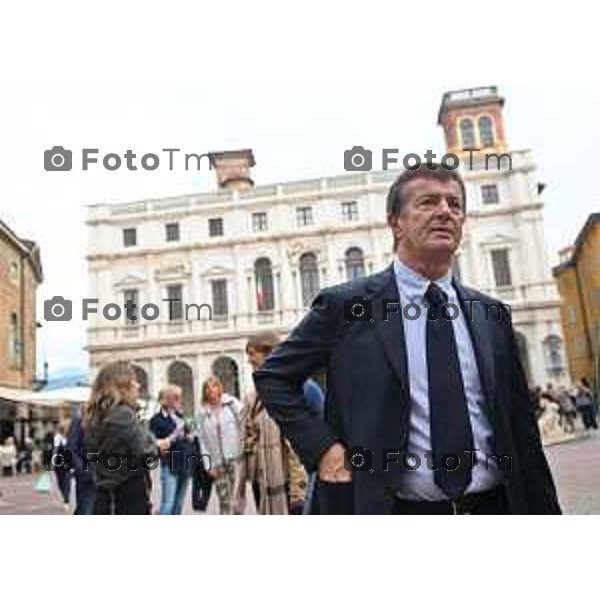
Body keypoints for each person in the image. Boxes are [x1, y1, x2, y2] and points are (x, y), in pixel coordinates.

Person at [253, 164, 561, 515]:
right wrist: (323, 448)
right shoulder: (347, 306)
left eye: (455, 204)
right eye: (428, 202)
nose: (445, 211)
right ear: (395, 223)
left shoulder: (490, 315)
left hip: (495, 506)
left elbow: (521, 428)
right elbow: (272, 377)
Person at [234, 332, 313, 515]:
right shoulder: (254, 397)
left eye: (252, 354)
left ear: (270, 354)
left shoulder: (301, 389)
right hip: (262, 478)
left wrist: (298, 489)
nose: (249, 361)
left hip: (289, 480)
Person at [83, 361, 166, 515]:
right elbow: (146, 454)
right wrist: (159, 446)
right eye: (134, 382)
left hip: (105, 494)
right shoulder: (123, 414)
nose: (138, 386)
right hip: (126, 496)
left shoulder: (96, 414)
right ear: (122, 387)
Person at [196, 376, 242, 515]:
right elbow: (202, 441)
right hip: (217, 463)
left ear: (219, 387)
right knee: (224, 500)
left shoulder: (232, 404)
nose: (211, 390)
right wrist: (208, 465)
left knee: (237, 499)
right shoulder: (202, 413)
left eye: (214, 386)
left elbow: (244, 425)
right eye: (207, 388)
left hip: (235, 459)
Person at [149, 385, 195, 515]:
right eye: (176, 397)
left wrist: (189, 437)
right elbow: (153, 444)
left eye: (180, 397)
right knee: (168, 504)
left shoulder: (181, 416)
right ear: (166, 400)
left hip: (185, 463)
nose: (180, 400)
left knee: (179, 504)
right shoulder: (156, 420)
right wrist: (172, 438)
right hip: (170, 465)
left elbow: (189, 436)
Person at [66, 411, 96, 515]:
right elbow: (71, 449)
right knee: (85, 510)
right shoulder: (79, 421)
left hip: (107, 477)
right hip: (88, 476)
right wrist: (83, 469)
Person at [53, 424, 72, 510]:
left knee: (67, 482)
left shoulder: (71, 438)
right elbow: (55, 450)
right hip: (58, 463)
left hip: (69, 463)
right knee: (60, 483)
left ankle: (66, 500)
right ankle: (65, 496)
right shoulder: (57, 437)